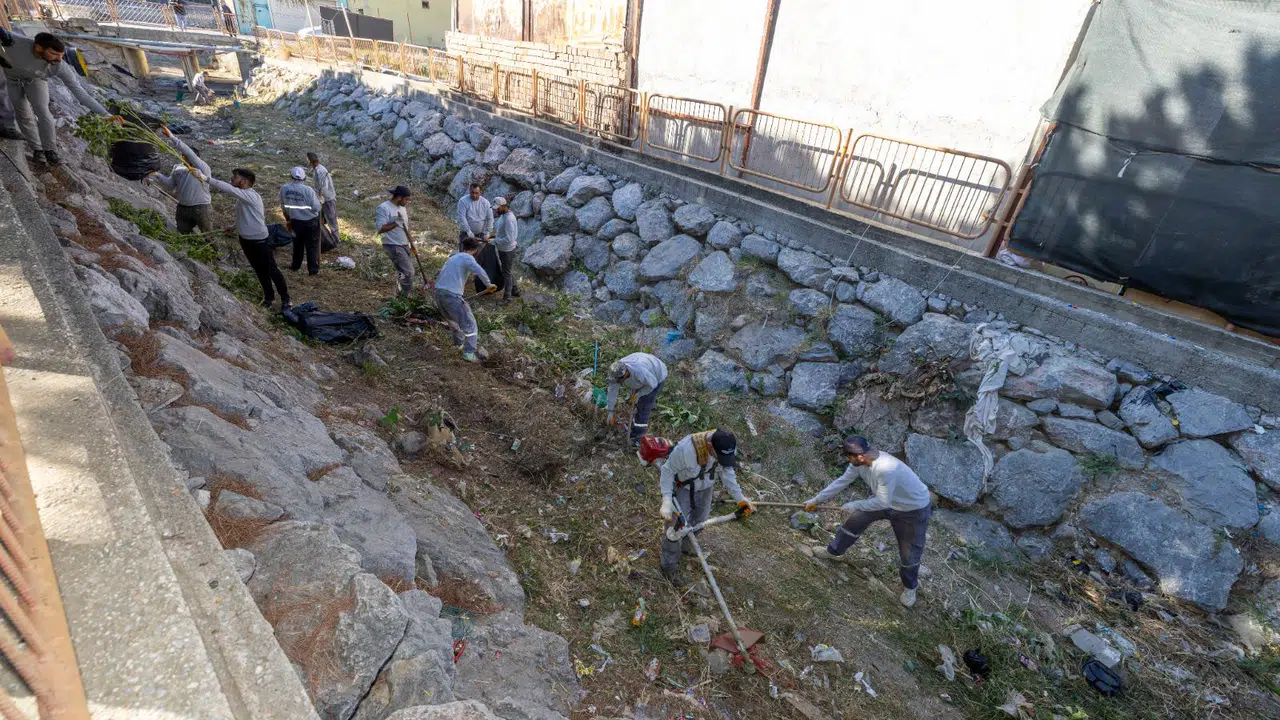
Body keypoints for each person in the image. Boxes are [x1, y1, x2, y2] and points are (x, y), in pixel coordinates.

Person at [803, 436, 933, 608]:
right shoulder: (858, 463)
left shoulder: (885, 469)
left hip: (912, 509)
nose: (848, 461)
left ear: (860, 457)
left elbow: (882, 502)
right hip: (886, 500)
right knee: (854, 521)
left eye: (849, 458)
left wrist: (855, 505)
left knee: (909, 552)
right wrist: (816, 500)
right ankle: (834, 552)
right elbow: (842, 481)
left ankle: (910, 587)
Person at [647, 428, 753, 586]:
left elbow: (727, 471)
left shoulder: (726, 445)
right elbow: (667, 471)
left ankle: (686, 546)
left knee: (700, 519)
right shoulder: (685, 450)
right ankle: (668, 566)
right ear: (710, 446)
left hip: (706, 486)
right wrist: (667, 500)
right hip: (684, 487)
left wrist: (740, 498)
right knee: (675, 529)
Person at [0, 30, 115, 165]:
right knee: (23, 113)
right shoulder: (14, 41)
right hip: (12, 80)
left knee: (42, 110)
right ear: (38, 48)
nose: (59, 58)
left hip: (36, 80)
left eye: (61, 55)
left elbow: (80, 93)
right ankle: (37, 150)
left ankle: (50, 151)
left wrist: (106, 114)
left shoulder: (59, 66)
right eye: (54, 54)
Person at [209, 168, 290, 310]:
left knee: (271, 269)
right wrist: (233, 227)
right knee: (258, 269)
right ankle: (269, 298)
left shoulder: (251, 195)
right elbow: (245, 215)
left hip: (259, 240)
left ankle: (286, 299)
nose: (232, 178)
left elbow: (229, 189)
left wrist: (206, 178)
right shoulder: (243, 197)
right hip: (245, 240)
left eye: (235, 176)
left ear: (244, 181)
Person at [435, 236, 495, 363]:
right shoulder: (468, 258)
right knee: (470, 324)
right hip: (452, 296)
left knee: (453, 322)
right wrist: (489, 284)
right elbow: (479, 271)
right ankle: (469, 353)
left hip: (439, 294)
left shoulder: (453, 257)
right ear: (475, 250)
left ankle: (458, 345)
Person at [146, 127, 212, 233]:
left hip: (201, 207)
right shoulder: (178, 168)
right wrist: (157, 175)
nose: (183, 157)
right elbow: (171, 184)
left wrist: (172, 137)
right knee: (182, 233)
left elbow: (189, 153)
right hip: (183, 208)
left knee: (208, 235)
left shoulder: (203, 168)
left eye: (186, 156)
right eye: (183, 156)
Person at [606, 352, 668, 446]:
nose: (617, 382)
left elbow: (652, 385)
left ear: (626, 374)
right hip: (643, 374)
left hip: (657, 375)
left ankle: (638, 436)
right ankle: (632, 425)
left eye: (619, 380)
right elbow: (612, 392)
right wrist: (610, 411)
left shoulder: (640, 372)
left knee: (643, 406)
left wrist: (639, 394)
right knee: (635, 402)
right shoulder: (616, 372)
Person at [280, 166, 322, 275]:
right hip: (310, 222)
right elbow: (317, 208)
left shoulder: (284, 188)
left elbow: (283, 207)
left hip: (295, 221)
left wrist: (288, 220)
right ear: (304, 178)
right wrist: (320, 201)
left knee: (297, 244)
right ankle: (312, 270)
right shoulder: (308, 190)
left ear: (291, 176)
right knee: (311, 246)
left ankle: (295, 265)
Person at [376, 185, 415, 295]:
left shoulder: (402, 208)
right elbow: (380, 229)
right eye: (406, 199)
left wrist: (411, 243)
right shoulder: (384, 208)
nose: (408, 202)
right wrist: (395, 223)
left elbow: (405, 226)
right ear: (399, 197)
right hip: (393, 244)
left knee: (402, 271)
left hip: (404, 244)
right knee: (408, 272)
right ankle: (404, 297)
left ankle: (400, 292)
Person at [490, 196, 520, 301]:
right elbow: (502, 232)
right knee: (507, 270)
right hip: (503, 248)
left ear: (503, 206)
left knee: (506, 273)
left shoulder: (509, 219)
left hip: (508, 250)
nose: (496, 210)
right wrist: (493, 236)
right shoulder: (503, 216)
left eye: (498, 208)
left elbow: (509, 239)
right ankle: (515, 289)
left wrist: (494, 241)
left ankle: (507, 298)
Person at [308, 151, 338, 247]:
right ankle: (324, 239)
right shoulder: (316, 169)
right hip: (323, 198)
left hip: (327, 199)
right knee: (320, 220)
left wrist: (319, 197)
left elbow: (323, 187)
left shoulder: (320, 170)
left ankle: (336, 241)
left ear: (310, 161)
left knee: (332, 220)